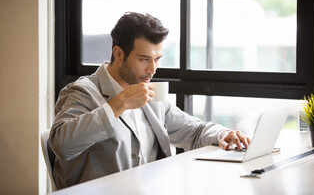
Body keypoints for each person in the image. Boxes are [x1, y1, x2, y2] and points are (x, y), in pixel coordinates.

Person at [49, 12, 250, 189]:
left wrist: (224, 133)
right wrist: (119, 103)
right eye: (144, 59)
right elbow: (61, 145)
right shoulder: (81, 92)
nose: (152, 70)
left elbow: (194, 131)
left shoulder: (151, 94)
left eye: (157, 59)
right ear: (118, 53)